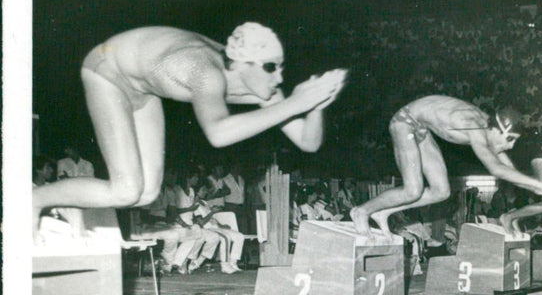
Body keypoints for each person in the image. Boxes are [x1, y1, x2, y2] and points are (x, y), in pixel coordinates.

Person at [32, 22, 347, 238]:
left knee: (147, 194)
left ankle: (64, 201)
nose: (278, 77)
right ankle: (32, 200)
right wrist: (295, 104)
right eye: (270, 67)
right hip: (107, 70)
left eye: (279, 66)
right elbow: (218, 133)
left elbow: (307, 142)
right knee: (125, 188)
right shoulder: (205, 70)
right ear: (241, 63)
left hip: (144, 88)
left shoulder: (261, 83)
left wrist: (316, 104)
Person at [349, 96, 542, 239]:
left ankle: (384, 212)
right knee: (412, 190)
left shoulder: (490, 128)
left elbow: (506, 165)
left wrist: (536, 187)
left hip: (422, 129)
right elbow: (496, 169)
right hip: (404, 122)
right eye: (510, 140)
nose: (510, 146)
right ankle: (361, 211)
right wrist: (536, 184)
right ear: (498, 130)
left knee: (441, 191)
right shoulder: (477, 130)